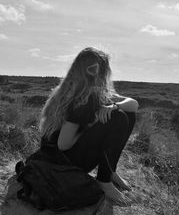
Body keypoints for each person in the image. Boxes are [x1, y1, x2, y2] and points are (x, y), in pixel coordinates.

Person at [39, 47, 139, 206]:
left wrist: (114, 106)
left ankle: (110, 171)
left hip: (66, 155)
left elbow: (133, 105)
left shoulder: (90, 91)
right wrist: (91, 126)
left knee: (126, 113)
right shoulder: (81, 100)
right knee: (118, 118)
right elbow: (63, 144)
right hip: (61, 162)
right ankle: (103, 181)